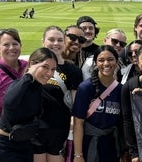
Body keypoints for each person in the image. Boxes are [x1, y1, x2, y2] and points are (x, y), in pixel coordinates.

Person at [0, 47, 58, 162]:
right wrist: (29, 74)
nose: (50, 73)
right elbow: (9, 102)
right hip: (3, 146)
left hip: (24, 144)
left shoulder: (38, 87)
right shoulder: (20, 84)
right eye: (45, 67)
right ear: (32, 64)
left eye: (53, 69)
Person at [35, 26, 83, 162]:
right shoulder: (33, 66)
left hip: (59, 129)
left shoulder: (73, 70)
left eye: (60, 40)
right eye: (51, 39)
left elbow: (75, 104)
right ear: (43, 41)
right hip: (34, 129)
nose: (56, 43)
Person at [72, 45, 122, 162]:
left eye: (110, 59)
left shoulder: (121, 89)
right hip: (89, 144)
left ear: (116, 61)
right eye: (101, 60)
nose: (106, 64)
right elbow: (78, 123)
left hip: (112, 145)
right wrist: (78, 155)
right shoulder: (86, 88)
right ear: (95, 63)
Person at [0, 28, 27, 162]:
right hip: (4, 140)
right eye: (6, 45)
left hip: (27, 138)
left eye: (15, 44)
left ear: (21, 45)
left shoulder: (28, 67)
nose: (11, 48)